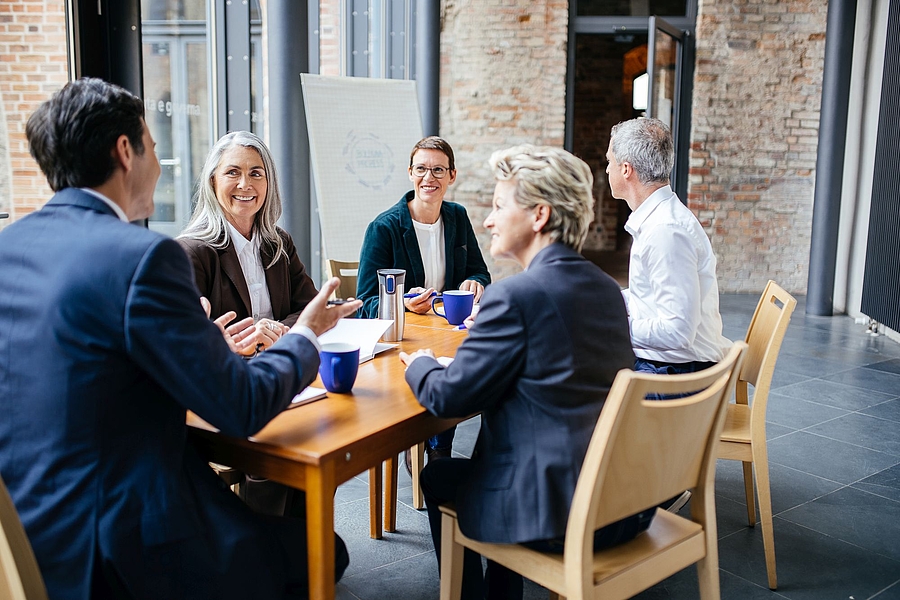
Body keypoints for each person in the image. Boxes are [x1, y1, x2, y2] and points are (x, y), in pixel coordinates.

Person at [0, 77, 362, 599]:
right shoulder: (145, 258)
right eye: (151, 144)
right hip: (122, 546)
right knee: (324, 550)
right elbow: (241, 407)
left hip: (31, 531)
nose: (158, 162)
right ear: (126, 151)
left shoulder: (11, 246)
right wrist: (304, 337)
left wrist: (201, 346)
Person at [399, 145, 654, 599]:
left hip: (560, 512)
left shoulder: (516, 296)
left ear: (539, 215)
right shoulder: (605, 287)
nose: (489, 220)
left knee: (437, 476)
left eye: (499, 207)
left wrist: (418, 362)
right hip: (623, 500)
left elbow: (446, 398)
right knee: (493, 453)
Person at [357, 136, 491, 468]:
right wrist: (401, 303)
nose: (428, 178)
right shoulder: (384, 227)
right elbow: (364, 301)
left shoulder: (457, 217)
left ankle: (439, 453)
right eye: (421, 169)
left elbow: (480, 271)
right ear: (410, 172)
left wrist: (476, 282)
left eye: (437, 170)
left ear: (452, 175)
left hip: (449, 330)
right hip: (407, 338)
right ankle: (435, 452)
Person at [606, 118, 731, 377]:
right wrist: (606, 301)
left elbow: (677, 332)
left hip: (676, 376)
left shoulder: (665, 231)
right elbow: (649, 295)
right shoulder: (660, 219)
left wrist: (609, 325)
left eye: (609, 162)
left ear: (626, 169)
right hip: (669, 366)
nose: (607, 170)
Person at [178, 130, 318, 355]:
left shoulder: (278, 243)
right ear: (213, 180)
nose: (245, 184)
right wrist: (247, 340)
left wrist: (276, 331)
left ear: (268, 183)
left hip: (281, 366)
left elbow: (310, 308)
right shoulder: (191, 252)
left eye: (256, 173)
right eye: (233, 172)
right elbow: (186, 339)